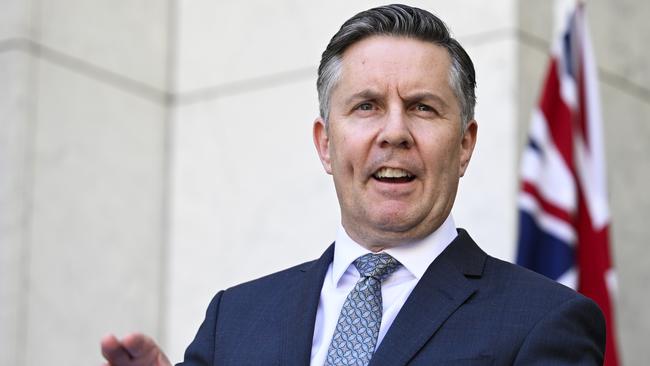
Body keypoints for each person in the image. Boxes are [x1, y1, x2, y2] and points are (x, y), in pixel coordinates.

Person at [101, 4, 605, 366]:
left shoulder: (546, 321)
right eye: (366, 106)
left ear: (465, 145)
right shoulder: (233, 319)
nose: (394, 133)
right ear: (325, 144)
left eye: (422, 107)